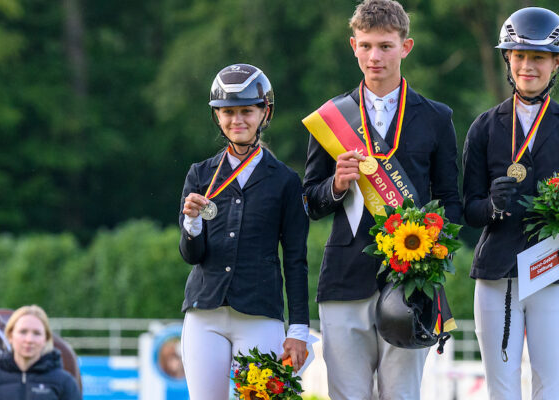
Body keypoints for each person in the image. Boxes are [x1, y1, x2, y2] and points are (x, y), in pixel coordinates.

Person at [302, 1, 461, 398]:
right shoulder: (330, 119)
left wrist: (431, 257)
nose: (376, 57)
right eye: (367, 46)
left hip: (411, 283)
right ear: (352, 45)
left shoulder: (437, 117)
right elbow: (310, 202)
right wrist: (335, 186)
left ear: (406, 47)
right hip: (343, 279)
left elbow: (450, 202)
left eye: (386, 46)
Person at [461, 7, 559, 399]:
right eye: (519, 56)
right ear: (507, 58)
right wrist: (489, 205)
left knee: (550, 387)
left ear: (556, 62)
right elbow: (467, 208)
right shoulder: (484, 127)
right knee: (502, 390)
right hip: (496, 272)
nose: (527, 66)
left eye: (538, 57)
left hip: (553, 271)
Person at [179, 63, 309, 399]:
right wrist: (192, 225)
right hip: (204, 313)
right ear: (217, 117)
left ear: (264, 113)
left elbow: (295, 259)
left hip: (259, 315)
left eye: (246, 111)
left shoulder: (285, 181)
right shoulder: (199, 174)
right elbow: (191, 255)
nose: (237, 120)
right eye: (228, 112)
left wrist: (299, 329)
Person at [0, 305, 81, 400]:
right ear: (10, 336)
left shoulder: (65, 382)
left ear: (46, 338)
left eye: (37, 333)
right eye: (23, 332)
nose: (29, 340)